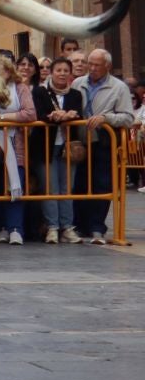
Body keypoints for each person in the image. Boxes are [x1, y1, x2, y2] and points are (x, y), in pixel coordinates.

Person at [73, 48, 134, 243]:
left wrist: (105, 118)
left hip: (104, 142)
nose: (91, 68)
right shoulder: (78, 83)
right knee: (79, 184)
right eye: (89, 63)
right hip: (79, 143)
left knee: (101, 184)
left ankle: (97, 227)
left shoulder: (119, 87)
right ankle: (80, 226)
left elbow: (128, 117)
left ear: (107, 66)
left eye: (96, 65)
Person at [33, 57, 85, 243]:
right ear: (51, 72)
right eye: (58, 70)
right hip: (45, 147)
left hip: (68, 147)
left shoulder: (76, 94)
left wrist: (67, 115)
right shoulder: (40, 92)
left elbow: (78, 112)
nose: (62, 73)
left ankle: (67, 227)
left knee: (66, 188)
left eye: (65, 70)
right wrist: (57, 116)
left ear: (70, 74)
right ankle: (52, 227)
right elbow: (40, 115)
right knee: (50, 188)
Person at [0, 53, 36, 244]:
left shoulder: (20, 88)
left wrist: (0, 118)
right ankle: (2, 228)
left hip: (17, 145)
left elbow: (30, 113)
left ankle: (16, 228)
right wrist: (13, 117)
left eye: (3, 67)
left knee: (16, 187)